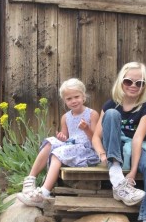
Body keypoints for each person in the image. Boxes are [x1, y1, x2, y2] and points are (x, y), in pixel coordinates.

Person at [92, 62, 146, 222]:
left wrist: (133, 172)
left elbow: (138, 139)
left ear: (144, 86)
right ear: (121, 82)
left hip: (135, 150)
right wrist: (102, 154)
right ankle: (116, 174)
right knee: (111, 114)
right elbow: (96, 137)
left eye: (139, 83)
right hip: (114, 149)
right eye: (128, 81)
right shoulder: (111, 104)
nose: (133, 86)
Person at [17, 78, 100, 208]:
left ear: (83, 96)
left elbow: (96, 139)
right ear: (64, 101)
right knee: (50, 142)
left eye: (76, 97)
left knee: (58, 153)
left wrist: (86, 129)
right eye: (69, 99)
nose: (73, 101)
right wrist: (62, 137)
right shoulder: (65, 117)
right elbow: (66, 137)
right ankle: (30, 180)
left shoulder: (92, 114)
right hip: (71, 146)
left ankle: (44, 192)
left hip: (87, 150)